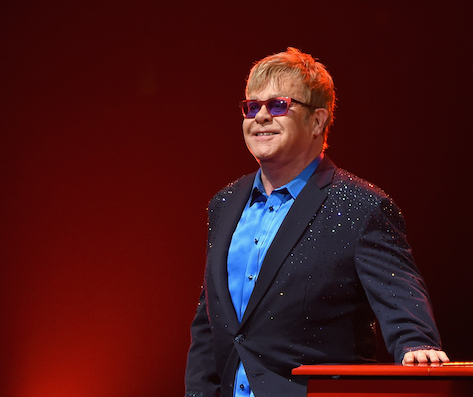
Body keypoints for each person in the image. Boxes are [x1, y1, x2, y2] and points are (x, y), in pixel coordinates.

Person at [183, 48, 449, 397]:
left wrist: (416, 343)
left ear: (318, 121)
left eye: (278, 105)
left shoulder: (361, 206)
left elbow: (400, 300)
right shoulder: (224, 204)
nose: (260, 116)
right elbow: (210, 323)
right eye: (251, 107)